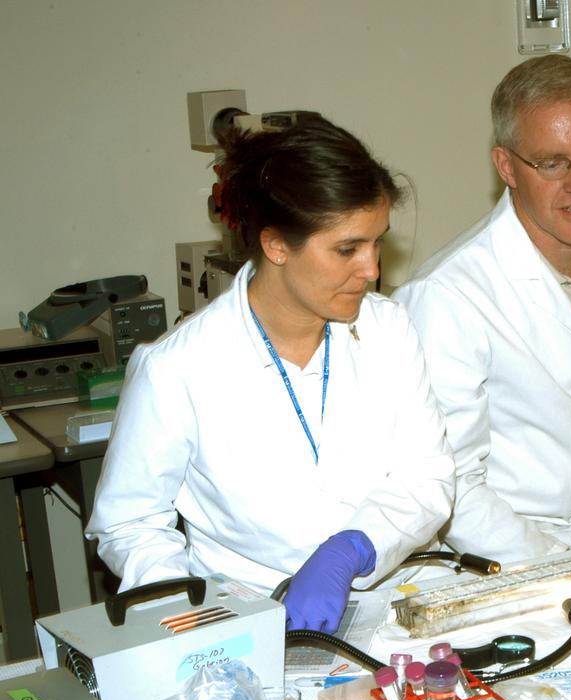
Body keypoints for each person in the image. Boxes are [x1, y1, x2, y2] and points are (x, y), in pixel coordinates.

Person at [87, 115, 456, 633]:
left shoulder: (389, 330)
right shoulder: (178, 367)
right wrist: (195, 625)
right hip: (250, 617)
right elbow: (130, 524)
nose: (372, 269)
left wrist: (354, 547)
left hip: (397, 601)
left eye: (378, 242)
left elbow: (427, 477)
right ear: (276, 245)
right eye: (347, 249)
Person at [394, 55, 571, 564]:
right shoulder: (447, 296)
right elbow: (453, 489)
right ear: (506, 166)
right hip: (518, 549)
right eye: (552, 163)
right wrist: (558, 567)